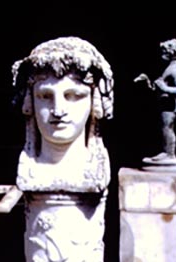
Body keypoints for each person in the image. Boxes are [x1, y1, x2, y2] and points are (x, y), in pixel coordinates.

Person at [12, 36, 114, 192]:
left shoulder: (97, 170)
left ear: (94, 101)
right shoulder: (27, 170)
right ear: (30, 102)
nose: (58, 111)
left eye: (73, 96)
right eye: (45, 96)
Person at [134, 38, 176, 166]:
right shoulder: (169, 69)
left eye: (164, 52)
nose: (162, 55)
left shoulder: (175, 71)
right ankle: (165, 152)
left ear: (172, 54)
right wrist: (147, 81)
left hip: (169, 105)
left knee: (168, 128)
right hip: (165, 103)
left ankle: (170, 153)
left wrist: (165, 88)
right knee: (164, 128)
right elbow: (159, 86)